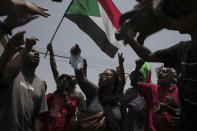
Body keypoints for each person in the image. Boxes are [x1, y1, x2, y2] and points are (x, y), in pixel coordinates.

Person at [70, 44, 128, 131]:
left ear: (115, 81)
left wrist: (121, 65)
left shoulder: (118, 98)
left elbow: (122, 81)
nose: (102, 76)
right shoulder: (94, 92)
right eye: (101, 75)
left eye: (107, 75)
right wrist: (75, 56)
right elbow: (81, 78)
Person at [0, 32, 48, 131]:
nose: (37, 53)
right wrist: (26, 49)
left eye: (37, 52)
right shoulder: (13, 72)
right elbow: (5, 75)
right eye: (33, 51)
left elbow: (37, 116)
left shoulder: (41, 84)